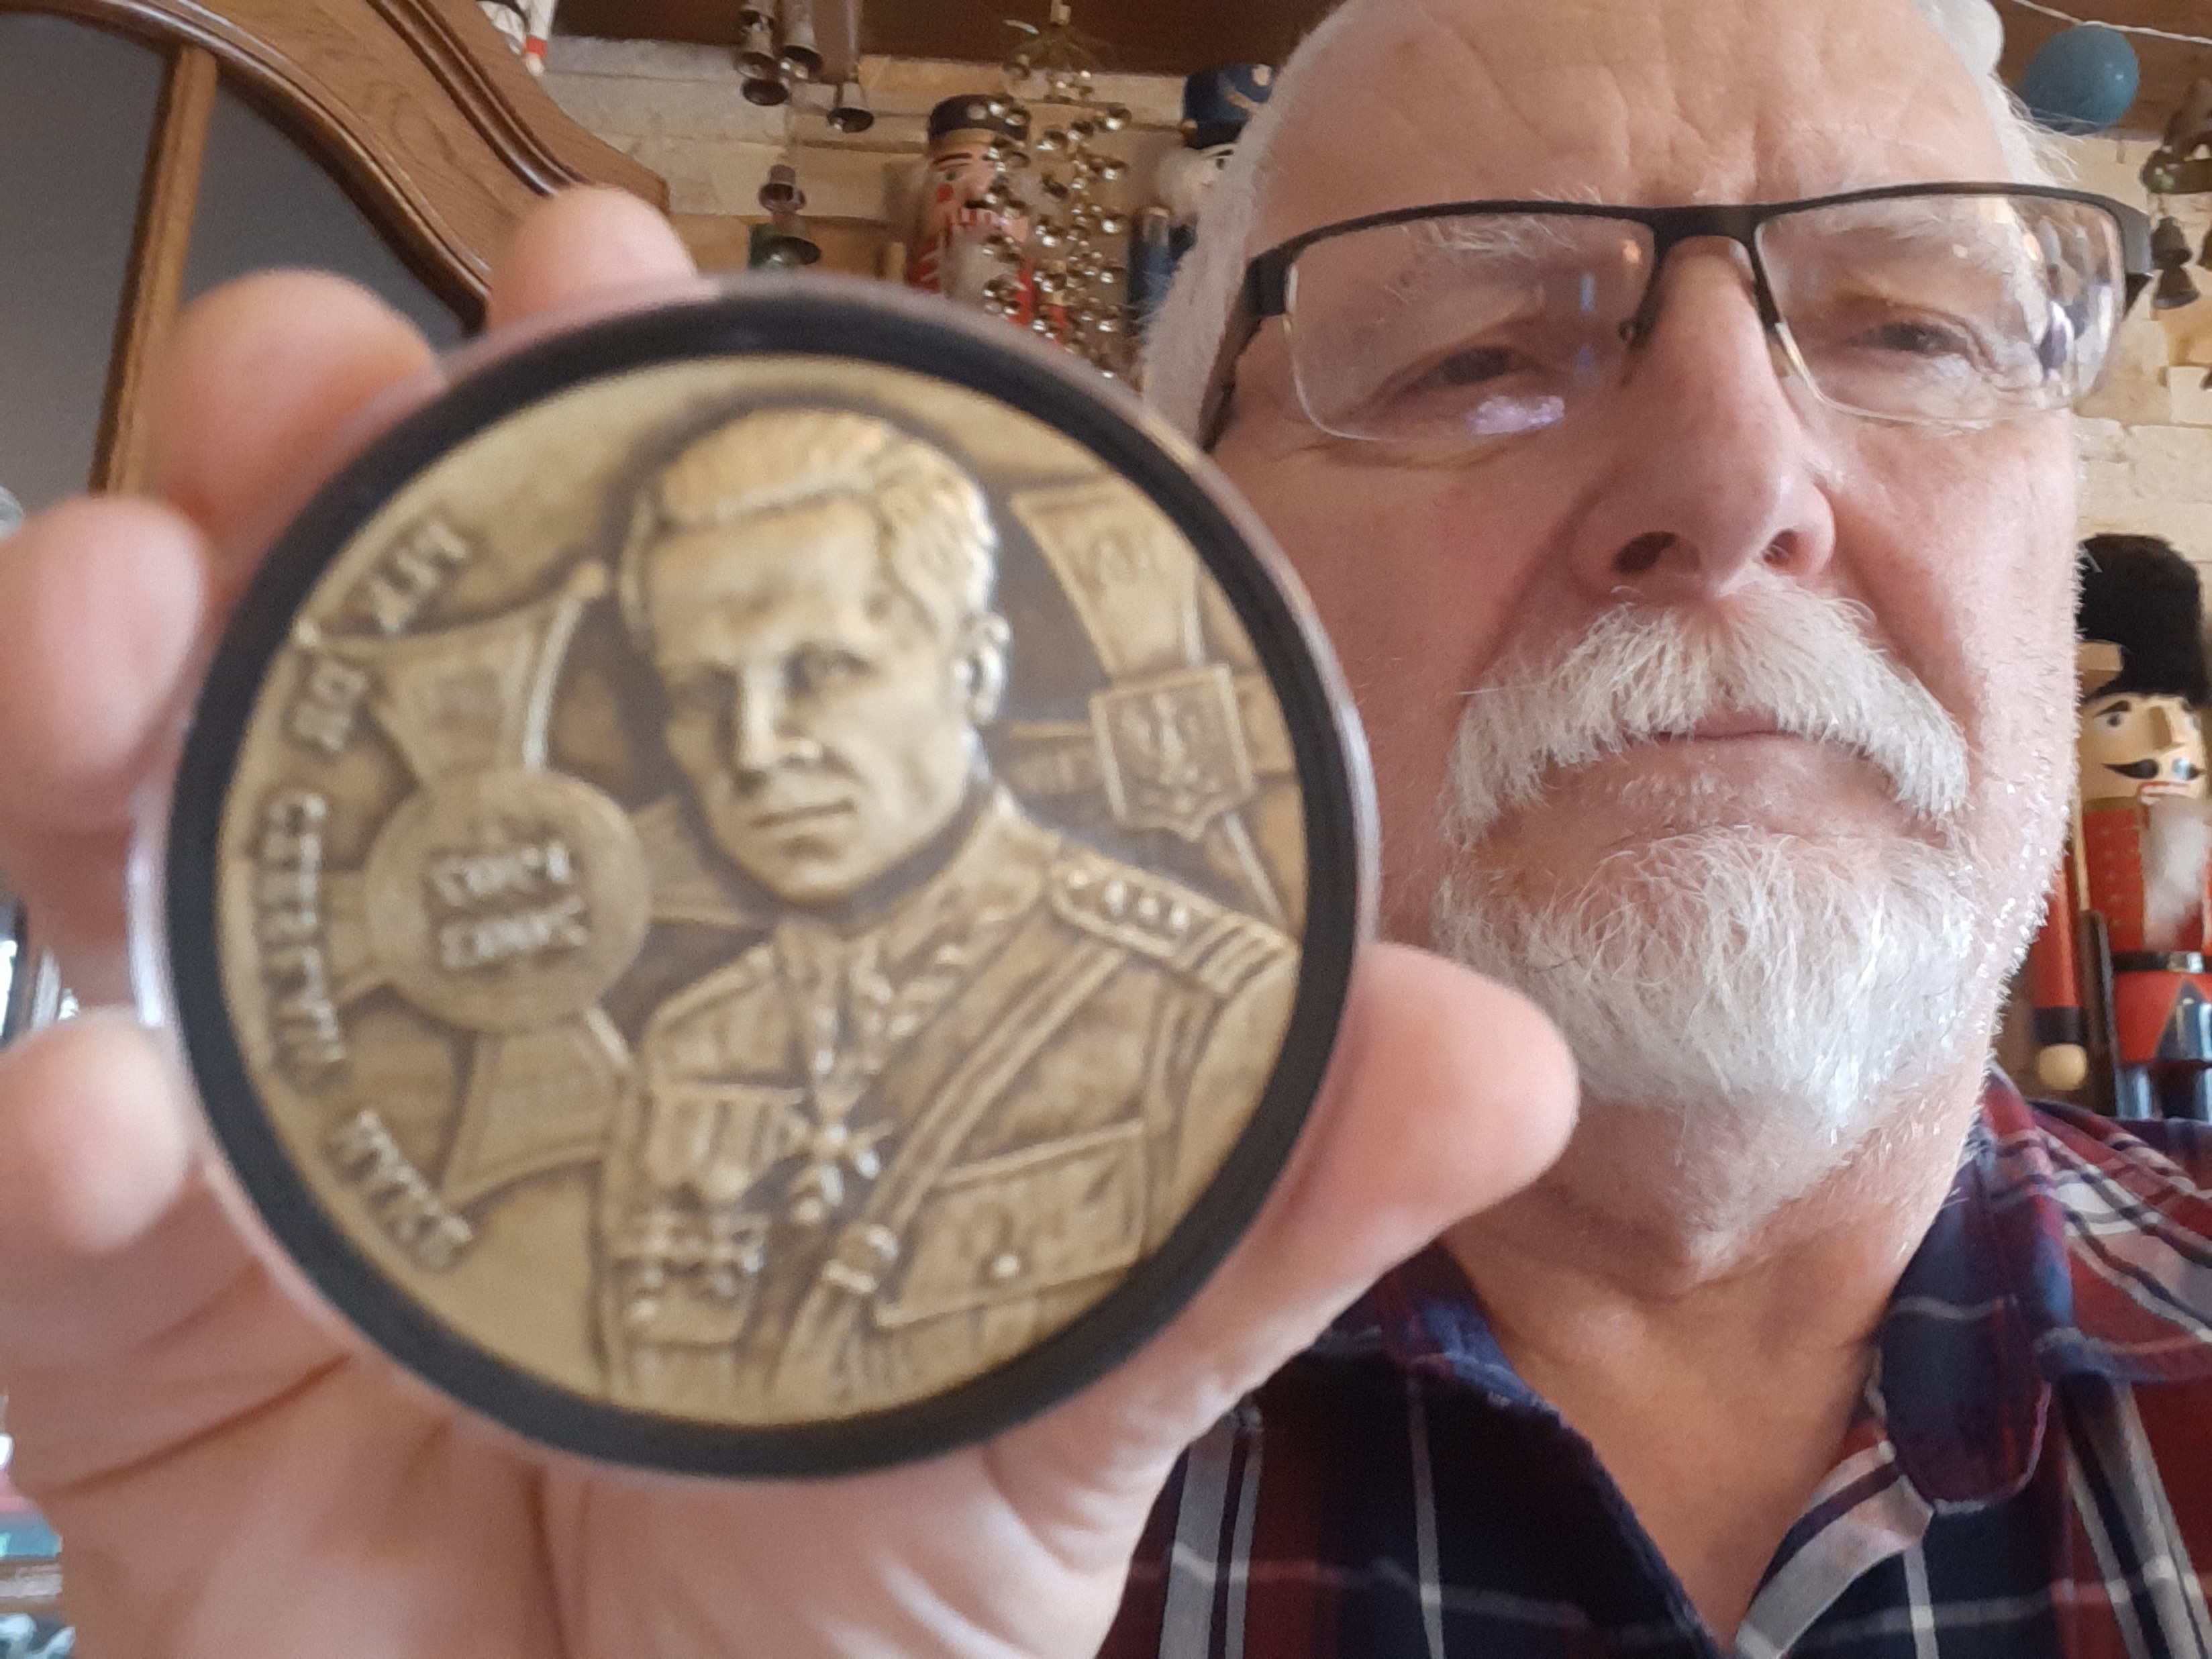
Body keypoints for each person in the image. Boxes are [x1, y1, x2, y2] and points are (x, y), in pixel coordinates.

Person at [0, 0, 2203, 1654]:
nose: (1732, 488)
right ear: (1203, 561)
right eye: (1469, 354)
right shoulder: (735, 1368)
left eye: (1911, 328)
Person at [603, 406, 1296, 1421]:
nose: (753, 748)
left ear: (975, 670)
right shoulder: (689, 1049)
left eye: (822, 670)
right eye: (701, 694)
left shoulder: (1207, 1009)